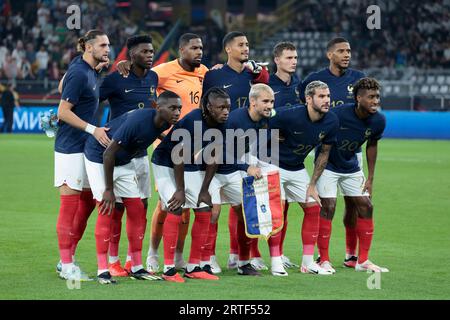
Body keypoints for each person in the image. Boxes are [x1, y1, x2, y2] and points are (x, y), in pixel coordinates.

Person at [117, 33, 209, 273]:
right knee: (168, 204)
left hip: (195, 148)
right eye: (194, 48)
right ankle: (153, 253)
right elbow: (141, 81)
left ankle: (178, 255)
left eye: (201, 48)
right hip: (168, 148)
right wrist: (126, 64)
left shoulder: (205, 72)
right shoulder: (163, 71)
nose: (199, 52)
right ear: (181, 49)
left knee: (188, 207)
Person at [83, 91, 182, 284]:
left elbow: (157, 136)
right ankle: (103, 270)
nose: (177, 112)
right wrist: (109, 190)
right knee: (106, 208)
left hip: (123, 161)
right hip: (99, 157)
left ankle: (136, 267)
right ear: (158, 108)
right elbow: (108, 153)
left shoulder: (164, 122)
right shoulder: (138, 121)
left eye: (179, 108)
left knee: (137, 209)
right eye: (173, 108)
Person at [201, 31, 270, 272]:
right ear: (228, 49)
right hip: (215, 148)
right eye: (240, 45)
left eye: (248, 44)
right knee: (213, 208)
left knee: (245, 208)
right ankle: (207, 258)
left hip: (243, 149)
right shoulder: (214, 75)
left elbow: (266, 91)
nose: (246, 48)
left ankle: (242, 260)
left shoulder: (254, 76)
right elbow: (204, 108)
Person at [298, 37, 366, 268]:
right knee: (327, 205)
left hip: (352, 152)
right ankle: (321, 256)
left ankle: (351, 255)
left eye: (348, 51)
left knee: (355, 204)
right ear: (330, 55)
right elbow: (304, 105)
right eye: (341, 51)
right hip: (325, 150)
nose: (346, 54)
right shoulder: (315, 80)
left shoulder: (359, 79)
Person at [151, 87, 230, 282]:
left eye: (228, 107)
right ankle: (169, 269)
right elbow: (177, 155)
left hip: (187, 163)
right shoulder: (193, 121)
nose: (226, 111)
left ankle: (194, 266)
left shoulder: (221, 123)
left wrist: (204, 190)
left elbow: (214, 157)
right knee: (176, 207)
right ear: (208, 107)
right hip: (165, 162)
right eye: (221, 108)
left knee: (204, 208)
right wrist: (179, 190)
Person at [95, 35, 158, 277]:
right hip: (118, 152)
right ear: (131, 55)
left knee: (140, 205)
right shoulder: (116, 79)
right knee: (116, 208)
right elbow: (92, 99)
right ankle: (113, 260)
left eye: (151, 51)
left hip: (141, 153)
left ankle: (134, 261)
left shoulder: (153, 77)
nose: (150, 55)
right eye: (144, 51)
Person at [315, 77, 389, 273]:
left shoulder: (379, 120)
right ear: (358, 98)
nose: (376, 101)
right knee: (328, 207)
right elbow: (320, 137)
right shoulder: (337, 115)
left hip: (351, 167)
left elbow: (372, 146)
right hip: (328, 165)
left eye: (377, 97)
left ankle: (362, 260)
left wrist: (371, 178)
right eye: (371, 97)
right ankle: (323, 259)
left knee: (366, 206)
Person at [54, 29, 110, 281]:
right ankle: (67, 265)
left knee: (88, 203)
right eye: (103, 45)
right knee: (69, 206)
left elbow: (61, 85)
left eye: (108, 44)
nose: (107, 49)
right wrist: (93, 129)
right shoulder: (79, 72)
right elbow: (63, 112)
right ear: (89, 47)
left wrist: (98, 69)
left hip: (85, 148)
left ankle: (67, 257)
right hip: (70, 148)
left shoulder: (86, 70)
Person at [267, 80, 339, 275]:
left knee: (314, 208)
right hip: (273, 165)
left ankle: (307, 263)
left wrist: (313, 185)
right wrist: (272, 138)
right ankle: (276, 262)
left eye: (328, 96)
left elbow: (324, 153)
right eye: (321, 96)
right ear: (308, 99)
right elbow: (261, 121)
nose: (327, 100)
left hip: (297, 168)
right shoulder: (287, 115)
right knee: (278, 213)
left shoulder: (332, 120)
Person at [206, 83, 275, 277]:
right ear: (253, 102)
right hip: (211, 171)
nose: (270, 105)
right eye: (266, 101)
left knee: (247, 213)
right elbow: (220, 153)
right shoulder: (234, 120)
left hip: (232, 171)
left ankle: (243, 263)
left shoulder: (262, 119)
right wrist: (247, 167)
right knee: (213, 212)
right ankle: (207, 259)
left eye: (271, 101)